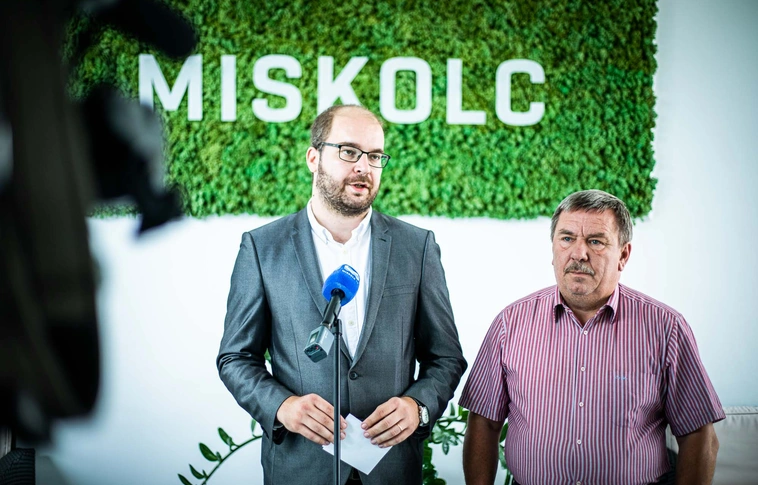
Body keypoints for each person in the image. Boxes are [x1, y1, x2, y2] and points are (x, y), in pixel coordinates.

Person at [217, 105, 467, 485]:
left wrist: (417, 407)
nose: (364, 167)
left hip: (390, 470)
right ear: (313, 158)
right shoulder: (262, 249)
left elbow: (446, 357)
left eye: (375, 156)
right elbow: (235, 357)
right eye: (349, 152)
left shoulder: (416, 248)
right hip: (300, 470)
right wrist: (283, 407)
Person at [459, 189, 724, 485]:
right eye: (567, 238)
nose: (578, 253)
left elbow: (699, 435)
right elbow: (483, 423)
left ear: (623, 255)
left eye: (596, 241)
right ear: (553, 248)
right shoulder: (509, 324)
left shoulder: (666, 328)